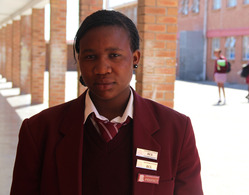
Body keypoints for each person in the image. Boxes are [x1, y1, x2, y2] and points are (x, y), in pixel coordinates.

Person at [10, 10, 203, 195]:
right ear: (78, 61)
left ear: (135, 58)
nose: (102, 69)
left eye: (114, 55)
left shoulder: (176, 129)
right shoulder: (38, 131)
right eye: (90, 56)